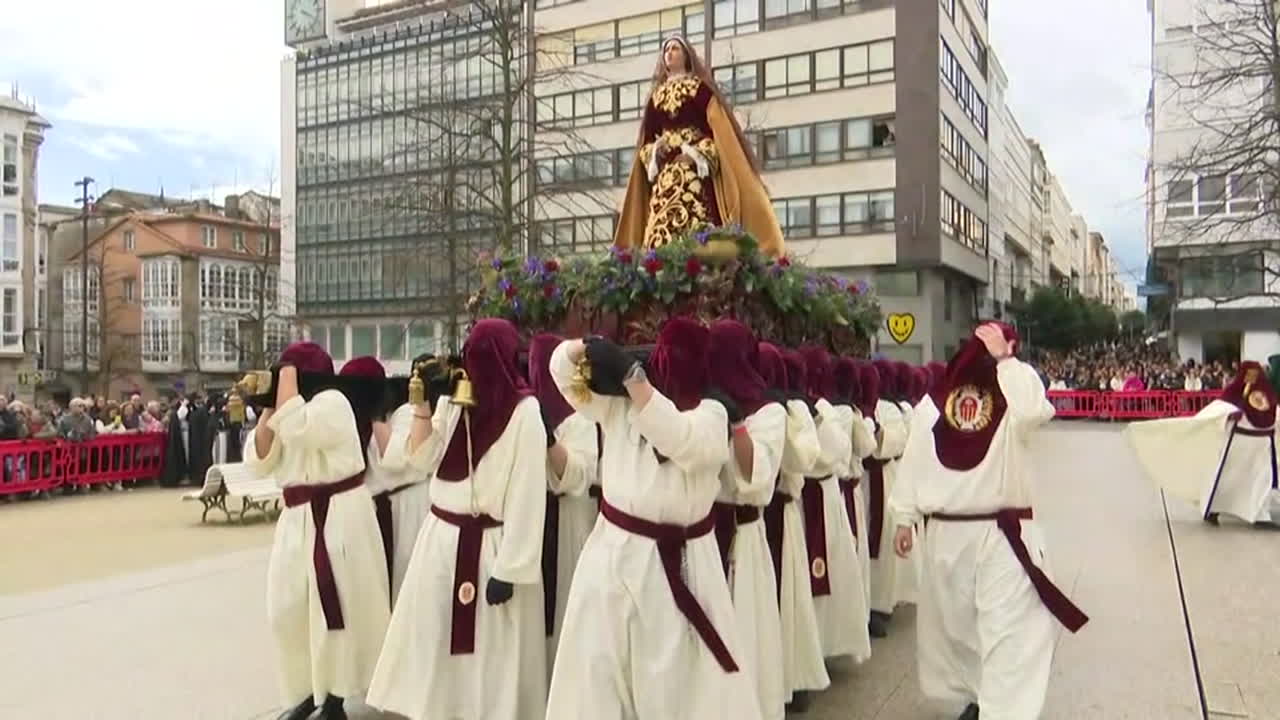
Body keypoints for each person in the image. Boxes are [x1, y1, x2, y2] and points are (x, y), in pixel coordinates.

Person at [546, 317, 762, 720]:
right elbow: (560, 372)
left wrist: (635, 381)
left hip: (679, 563)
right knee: (597, 671)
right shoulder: (620, 404)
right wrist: (586, 347)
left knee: (675, 682)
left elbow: (683, 441)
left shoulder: (712, 412)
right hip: (612, 553)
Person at [890, 323, 1088, 720]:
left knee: (1009, 629)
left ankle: (1002, 711)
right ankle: (981, 697)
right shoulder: (935, 402)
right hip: (947, 532)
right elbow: (915, 457)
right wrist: (903, 516)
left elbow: (1035, 410)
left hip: (1002, 535)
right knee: (959, 630)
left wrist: (1005, 362)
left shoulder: (1014, 393)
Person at [368, 319, 547, 720]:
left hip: (493, 550)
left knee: (490, 660)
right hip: (441, 542)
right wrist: (424, 404)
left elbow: (528, 493)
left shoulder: (525, 411)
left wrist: (512, 567)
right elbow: (421, 458)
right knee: (437, 653)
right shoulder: (455, 402)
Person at [246, 342, 391, 720]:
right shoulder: (287, 410)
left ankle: (337, 697)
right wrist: (266, 409)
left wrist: (287, 391)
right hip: (298, 518)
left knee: (337, 607)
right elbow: (261, 460)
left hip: (339, 515)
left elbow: (300, 428)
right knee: (290, 609)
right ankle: (305, 691)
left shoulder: (333, 402)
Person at [613, 35, 783, 256]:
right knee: (657, 236)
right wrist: (656, 151)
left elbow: (718, 134)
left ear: (686, 55)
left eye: (675, 49)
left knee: (698, 227)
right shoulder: (656, 97)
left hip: (693, 175)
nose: (670, 53)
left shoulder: (700, 90)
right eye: (667, 50)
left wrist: (694, 154)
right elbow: (645, 143)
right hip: (665, 179)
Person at [706, 320, 787, 720]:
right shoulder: (699, 403)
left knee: (744, 631)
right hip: (703, 536)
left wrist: (736, 425)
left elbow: (756, 479)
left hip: (742, 534)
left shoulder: (769, 411)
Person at [1128, 361, 1280, 526]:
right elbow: (1218, 410)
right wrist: (1229, 414)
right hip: (1238, 445)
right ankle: (1213, 509)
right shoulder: (1234, 392)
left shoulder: (1268, 393)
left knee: (1260, 480)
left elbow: (1273, 411)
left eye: (1255, 373)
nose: (1252, 376)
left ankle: (1259, 515)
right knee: (1226, 479)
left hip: (1260, 446)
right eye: (1249, 372)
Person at [528, 333, 600, 670]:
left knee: (569, 603)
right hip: (534, 517)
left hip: (570, 517)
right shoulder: (524, 408)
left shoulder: (583, 414)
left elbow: (577, 475)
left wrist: (549, 440)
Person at [798, 347, 870, 665]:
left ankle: (823, 647)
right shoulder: (817, 408)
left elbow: (838, 452)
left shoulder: (824, 409)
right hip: (813, 495)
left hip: (819, 495)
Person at [771, 347, 830, 711]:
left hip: (784, 512)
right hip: (747, 522)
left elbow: (805, 458)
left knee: (790, 598)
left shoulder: (796, 412)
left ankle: (793, 676)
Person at [365, 353, 435, 607]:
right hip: (385, 508)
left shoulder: (407, 412)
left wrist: (373, 417)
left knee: (411, 580)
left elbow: (396, 457)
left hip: (413, 504)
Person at [864, 361, 907, 638]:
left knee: (880, 541)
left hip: (881, 478)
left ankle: (879, 604)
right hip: (860, 482)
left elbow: (898, 440)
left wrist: (877, 431)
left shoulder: (890, 408)